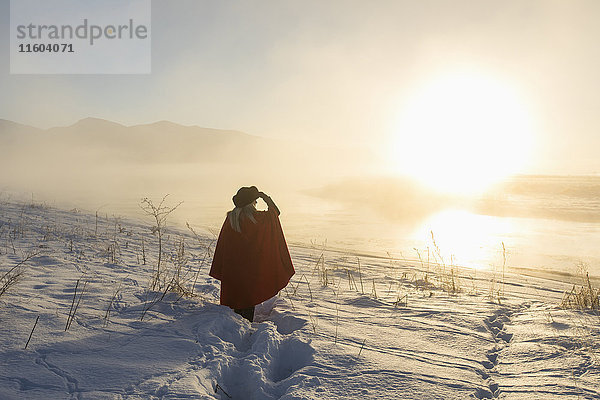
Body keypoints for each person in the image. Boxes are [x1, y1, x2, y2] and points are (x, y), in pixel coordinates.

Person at [209, 186, 295, 322]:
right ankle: (243, 329)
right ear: (251, 203)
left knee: (233, 305)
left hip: (232, 270)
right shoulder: (258, 219)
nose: (256, 203)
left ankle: (232, 327)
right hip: (249, 272)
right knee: (246, 304)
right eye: (255, 201)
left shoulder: (231, 219)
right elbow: (275, 213)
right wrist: (265, 197)